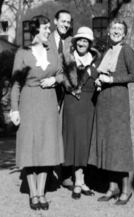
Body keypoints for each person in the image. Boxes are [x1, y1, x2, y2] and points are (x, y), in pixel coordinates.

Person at [10, 15, 64, 210]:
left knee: (47, 148)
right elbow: (16, 83)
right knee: (30, 148)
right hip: (28, 102)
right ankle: (33, 194)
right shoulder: (22, 53)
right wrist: (15, 109)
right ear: (35, 31)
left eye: (49, 28)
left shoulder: (52, 52)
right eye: (45, 28)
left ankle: (42, 192)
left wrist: (54, 81)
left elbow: (61, 74)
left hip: (49, 103)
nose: (49, 31)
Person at [88, 18, 134, 205]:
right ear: (109, 31)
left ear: (124, 33)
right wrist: (100, 80)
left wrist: (112, 79)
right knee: (107, 145)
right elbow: (103, 72)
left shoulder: (127, 50)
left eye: (120, 29)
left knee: (119, 146)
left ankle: (126, 189)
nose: (116, 31)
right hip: (103, 104)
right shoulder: (107, 52)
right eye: (113, 28)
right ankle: (112, 187)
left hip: (118, 104)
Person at [62, 26, 101, 199]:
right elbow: (61, 79)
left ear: (90, 44)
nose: (82, 43)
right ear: (76, 42)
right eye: (80, 40)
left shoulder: (96, 63)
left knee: (85, 142)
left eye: (86, 41)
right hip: (73, 104)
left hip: (89, 106)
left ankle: (81, 180)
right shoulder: (68, 60)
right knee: (75, 142)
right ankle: (77, 181)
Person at [47, 9, 73, 189]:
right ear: (55, 21)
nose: (65, 25)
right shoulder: (45, 40)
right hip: (48, 90)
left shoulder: (72, 42)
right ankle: (47, 174)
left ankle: (65, 174)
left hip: (68, 92)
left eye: (68, 22)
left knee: (65, 132)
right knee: (48, 132)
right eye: (63, 21)